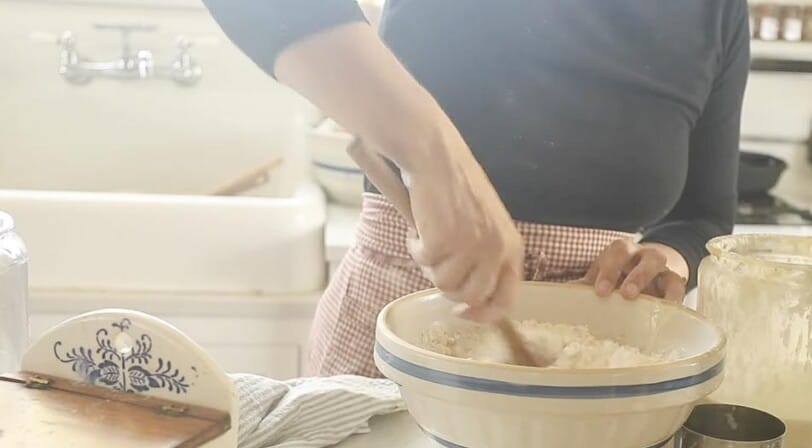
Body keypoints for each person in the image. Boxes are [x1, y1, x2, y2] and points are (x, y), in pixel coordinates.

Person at [202, 0, 750, 377]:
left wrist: (668, 257)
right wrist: (433, 156)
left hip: (599, 356)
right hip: (397, 322)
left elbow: (702, 218)